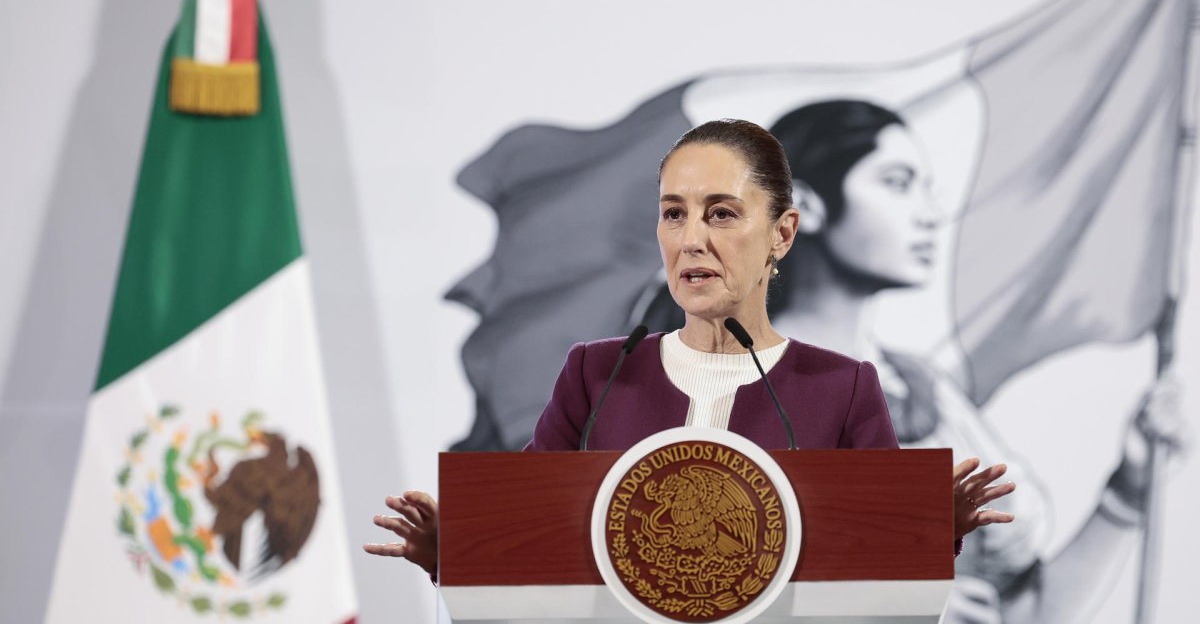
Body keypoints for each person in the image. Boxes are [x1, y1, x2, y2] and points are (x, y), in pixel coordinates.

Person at [365, 118, 1018, 579]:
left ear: (783, 233)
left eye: (722, 214)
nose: (691, 239)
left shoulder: (843, 388)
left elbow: (878, 572)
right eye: (673, 213)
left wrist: (932, 531)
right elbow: (532, 541)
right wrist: (456, 555)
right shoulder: (596, 374)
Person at [651, 101, 1182, 623]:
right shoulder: (727, 387)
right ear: (805, 208)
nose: (929, 214)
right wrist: (895, 606)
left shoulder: (922, 389)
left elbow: (1024, 610)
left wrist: (1128, 491)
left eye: (927, 189)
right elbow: (695, 592)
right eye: (898, 183)